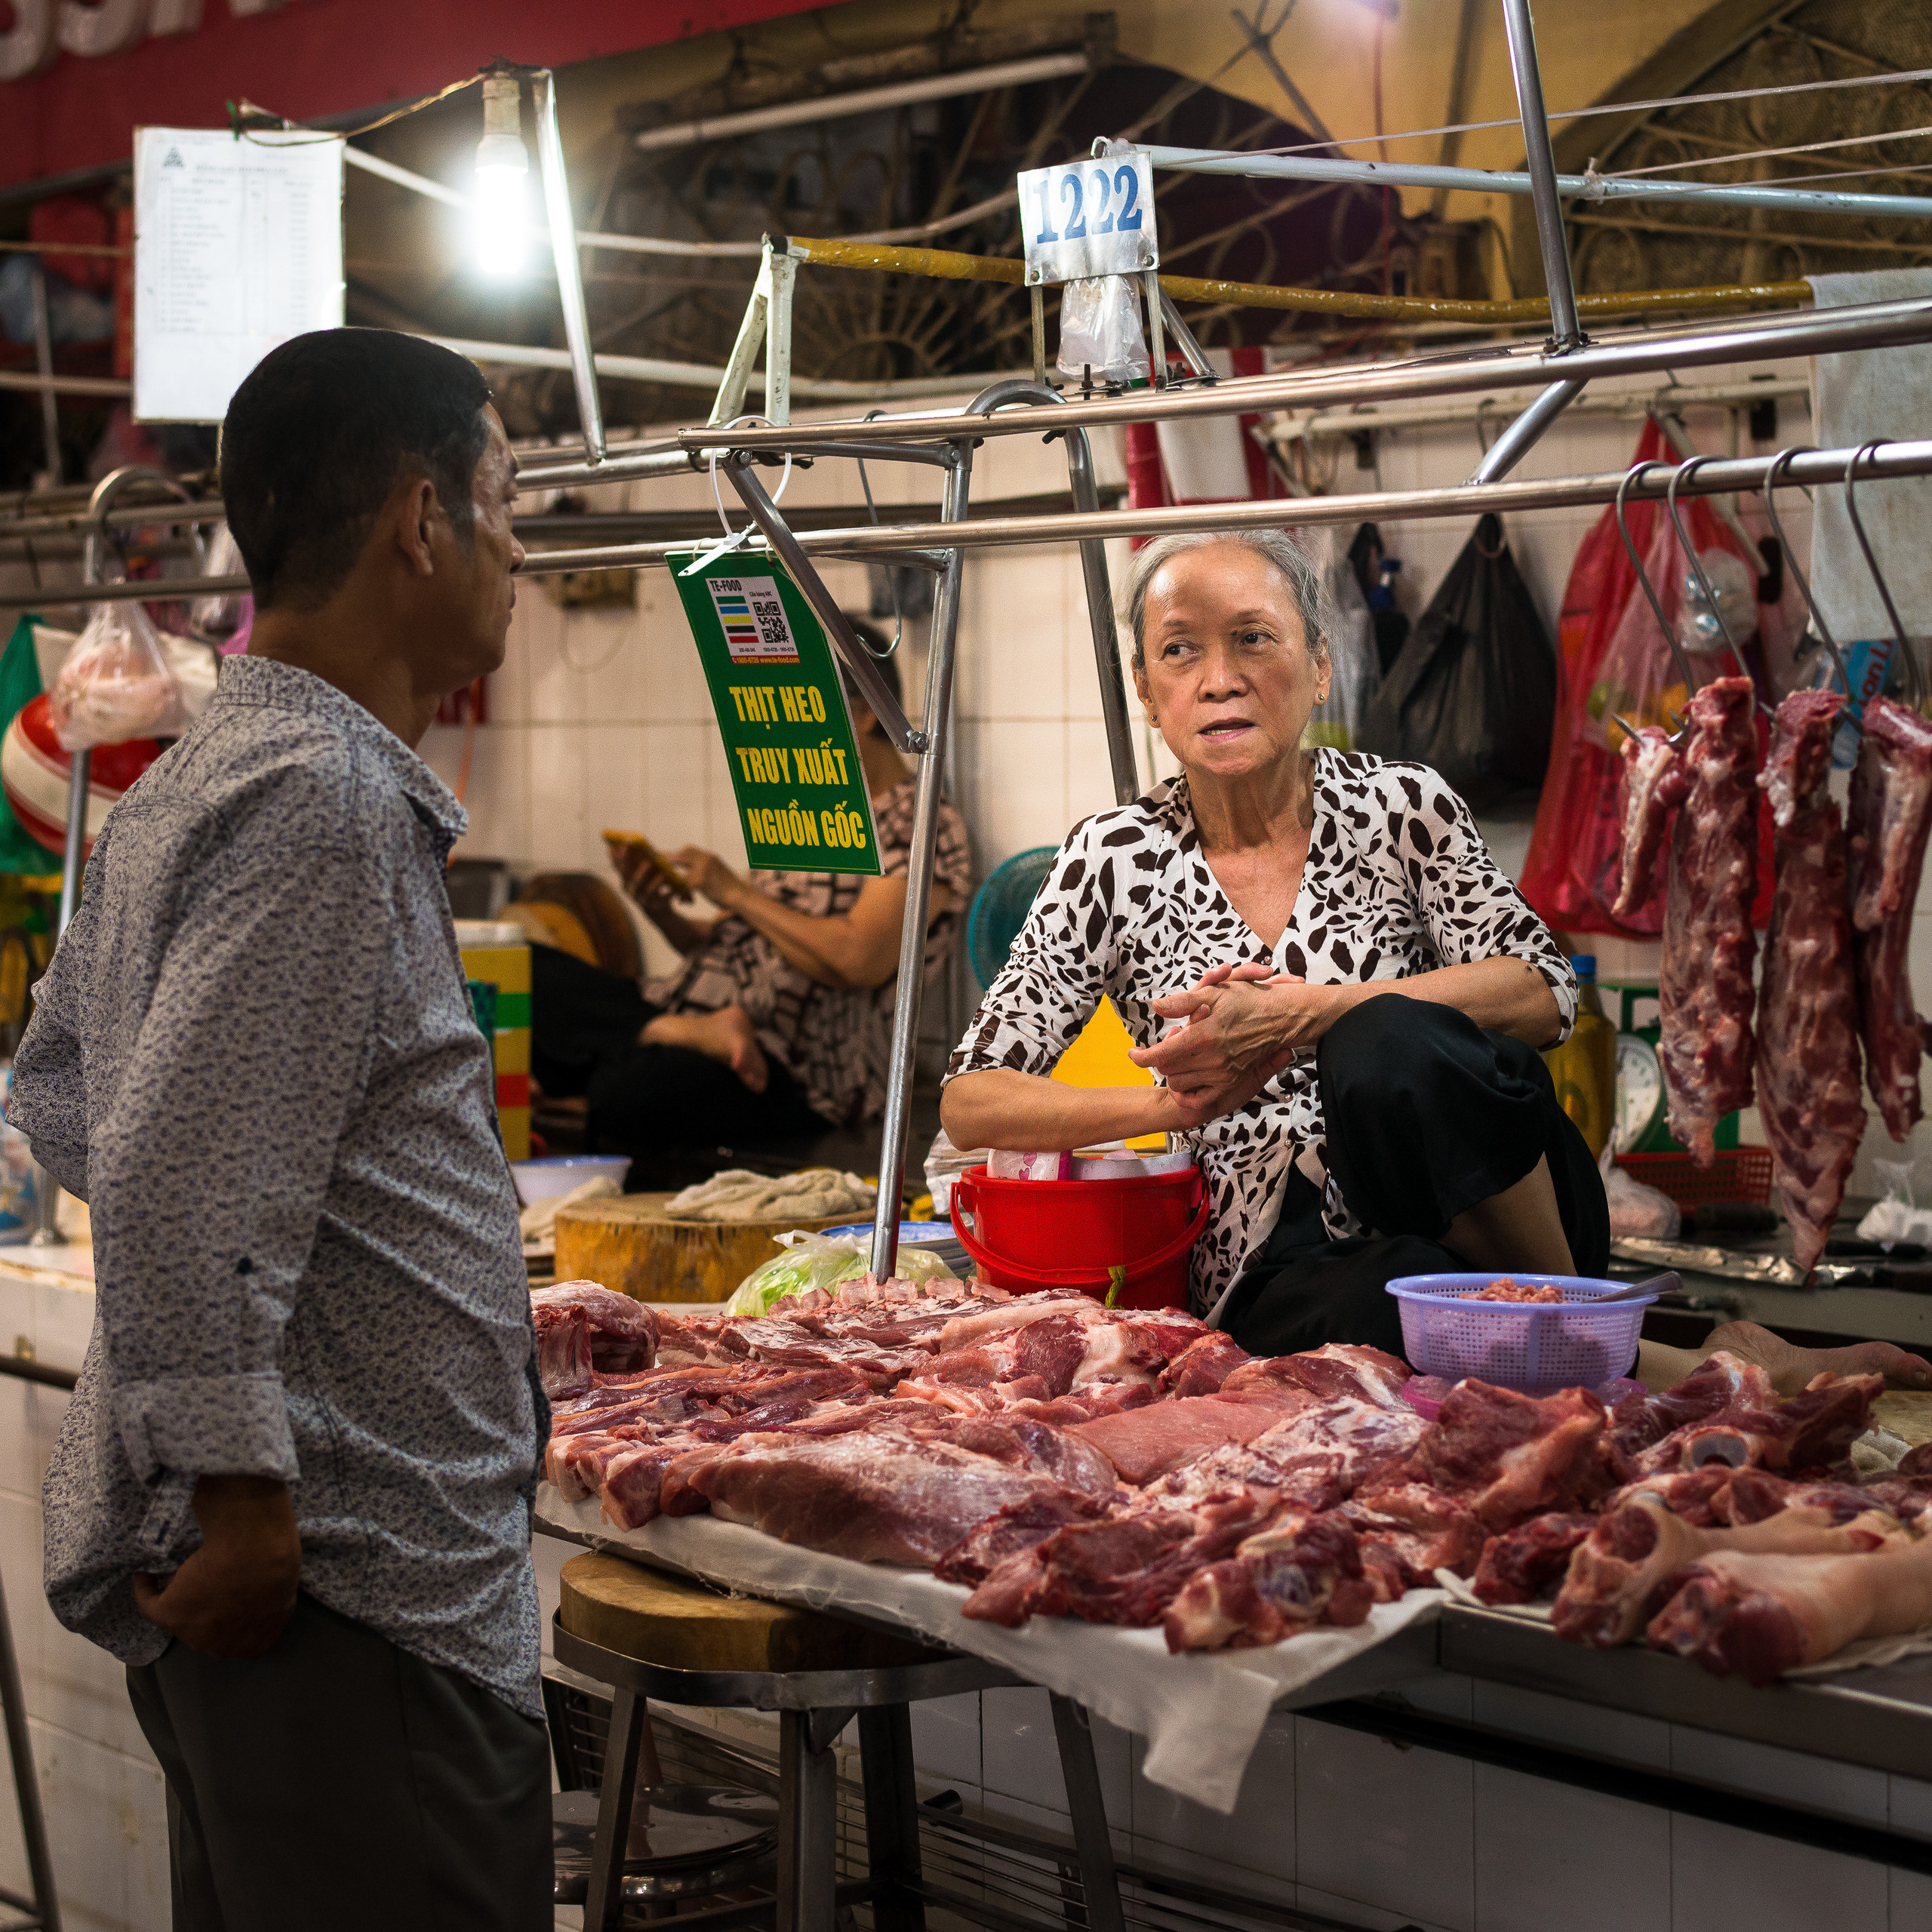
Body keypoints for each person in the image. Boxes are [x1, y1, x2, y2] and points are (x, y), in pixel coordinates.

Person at [11, 329, 553, 1929]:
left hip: (338, 1585)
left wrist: (336, 1256)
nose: (519, 545)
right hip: (346, 1588)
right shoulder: (314, 796)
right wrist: (246, 1486)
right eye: (504, 497)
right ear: (421, 519)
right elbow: (182, 1166)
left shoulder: (205, 772)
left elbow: (59, 1089)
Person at [940, 531, 1932, 1396]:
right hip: (1276, 1259)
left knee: (1384, 1040)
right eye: (1179, 652)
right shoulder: (1112, 858)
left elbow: (1543, 993)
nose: (1220, 677)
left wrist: (1311, 1012)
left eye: (1254, 638)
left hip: (1499, 1199)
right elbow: (972, 1102)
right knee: (1386, 1316)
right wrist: (1170, 1111)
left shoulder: (1400, 808)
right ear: (1151, 696)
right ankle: (1680, 1363)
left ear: (1321, 668)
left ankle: (1587, 1326)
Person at [531, 629, 971, 1152]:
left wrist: (734, 891)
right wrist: (663, 913)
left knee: (630, 1092)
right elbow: (728, 944)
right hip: (689, 1008)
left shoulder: (922, 822)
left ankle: (658, 1042)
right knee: (516, 970)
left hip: (797, 1065)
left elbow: (859, 959)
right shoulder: (807, 806)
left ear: (862, 716)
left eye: (801, 712)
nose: (787, 731)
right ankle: (679, 1032)